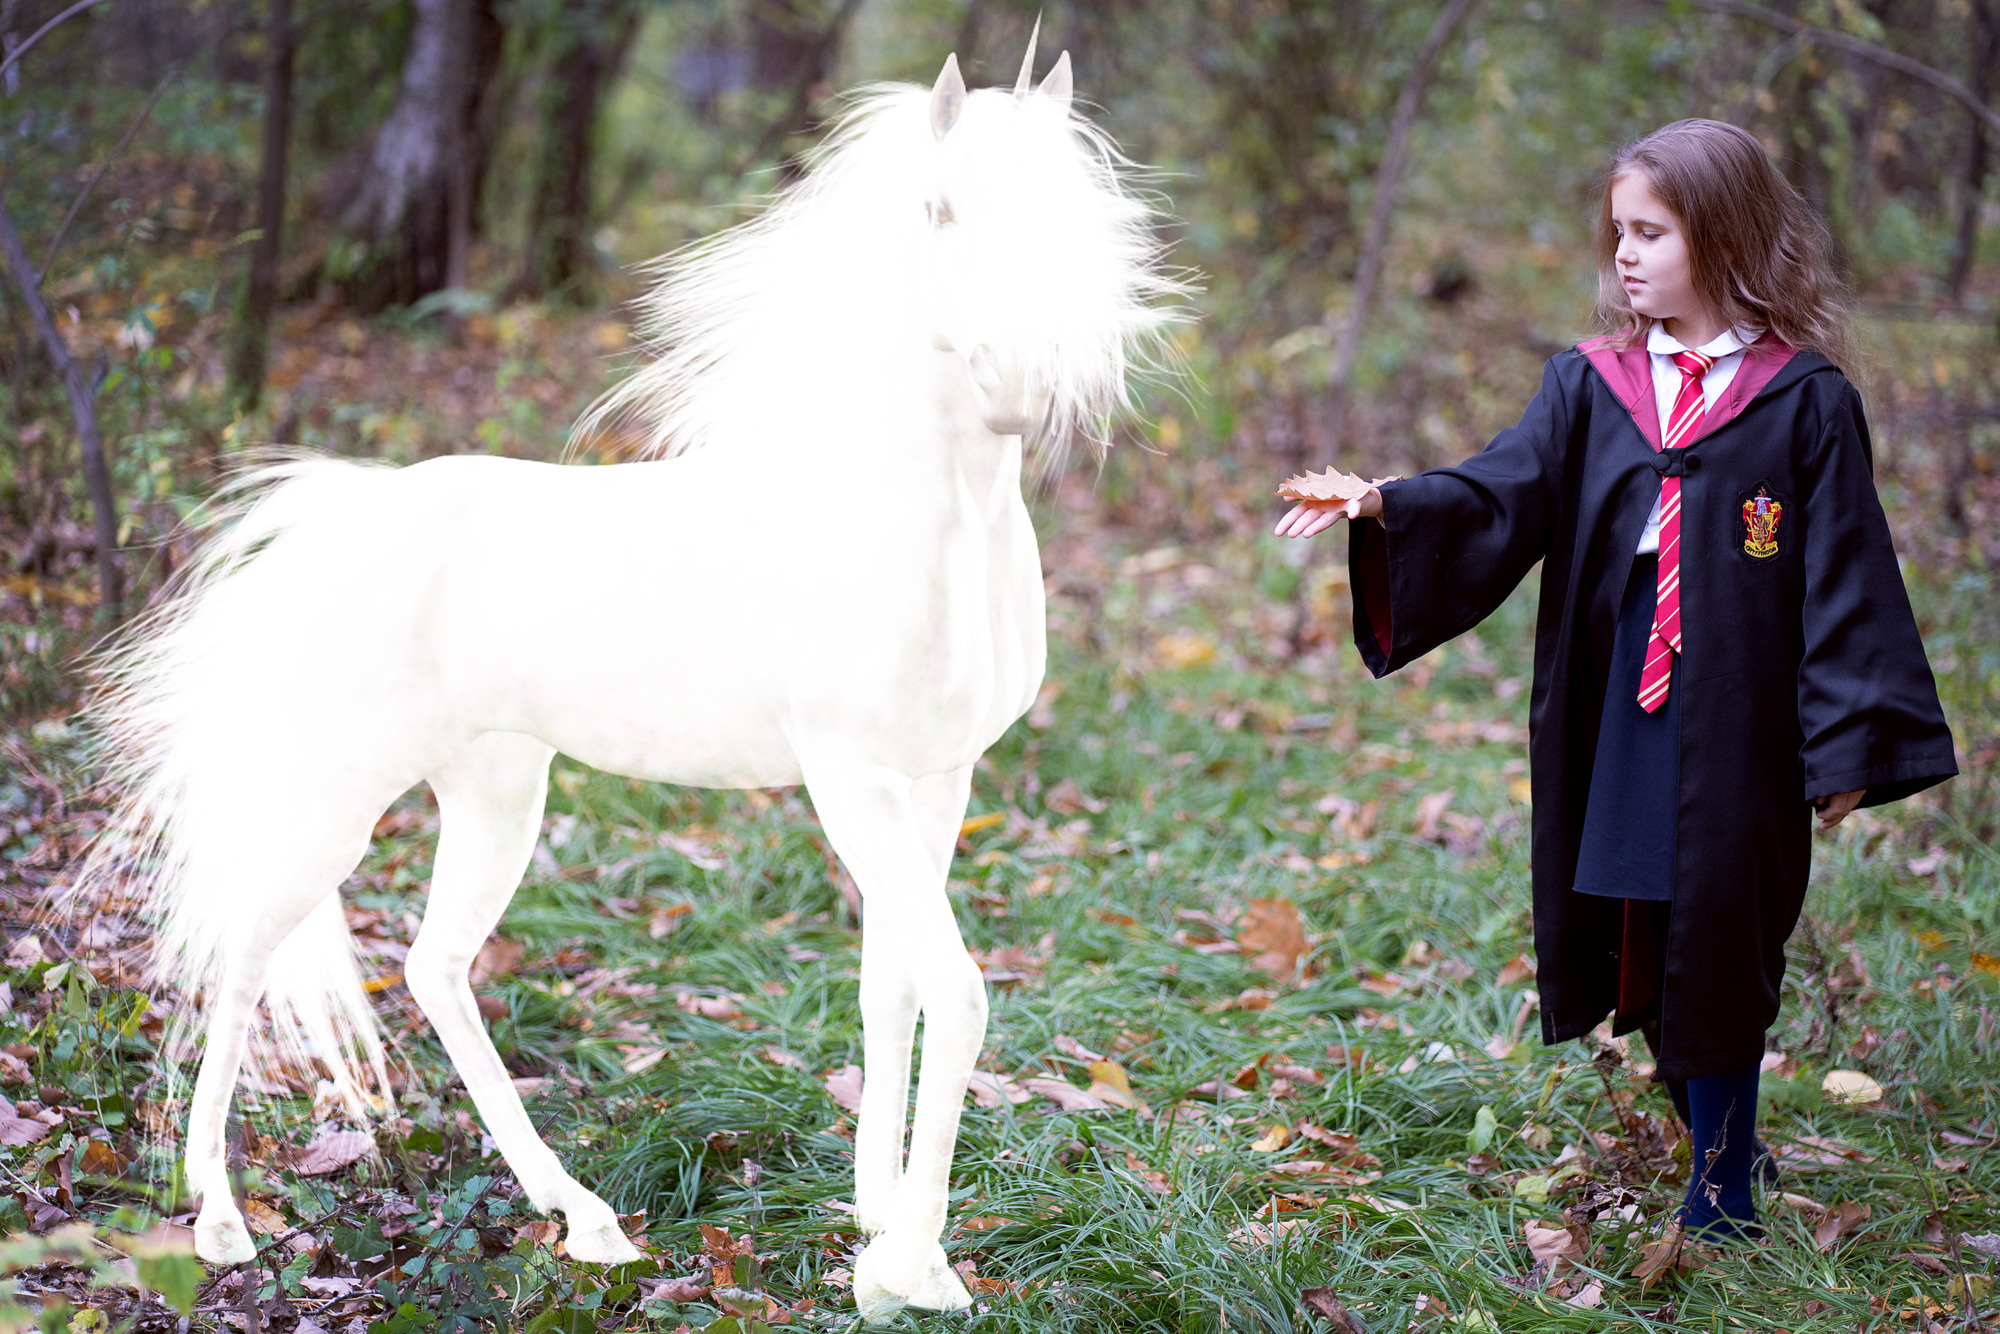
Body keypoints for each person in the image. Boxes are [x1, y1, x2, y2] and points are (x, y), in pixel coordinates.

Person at [1276, 119, 1956, 1240]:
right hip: (1620, 700)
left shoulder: (1803, 400)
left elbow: (1845, 574)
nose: (1625, 256)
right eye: (1618, 233)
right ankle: (1709, 1132)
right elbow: (1506, 489)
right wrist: (1388, 503)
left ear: (1724, 237)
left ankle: (1725, 1180)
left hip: (1740, 714)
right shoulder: (1592, 384)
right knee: (1635, 911)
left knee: (1723, 932)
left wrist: (1846, 744)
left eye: (1651, 232)